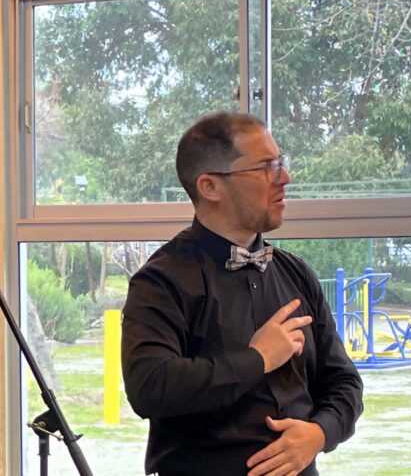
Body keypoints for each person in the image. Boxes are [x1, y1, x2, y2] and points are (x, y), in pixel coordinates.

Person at [121, 112, 363, 476]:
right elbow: (150, 386)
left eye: (281, 162)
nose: (285, 177)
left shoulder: (296, 273)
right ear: (210, 187)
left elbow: (344, 382)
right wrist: (258, 358)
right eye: (266, 167)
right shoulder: (161, 282)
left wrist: (319, 433)